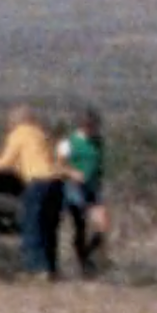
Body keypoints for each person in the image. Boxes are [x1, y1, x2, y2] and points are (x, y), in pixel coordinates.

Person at [0, 104, 71, 281]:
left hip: (37, 183)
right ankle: (51, 268)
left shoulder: (18, 135)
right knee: (49, 228)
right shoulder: (41, 134)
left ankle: (35, 269)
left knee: (32, 225)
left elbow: (4, 163)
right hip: (56, 183)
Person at [62, 107, 110, 277]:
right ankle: (83, 263)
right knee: (80, 226)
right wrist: (71, 172)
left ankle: (87, 256)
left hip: (93, 188)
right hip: (74, 188)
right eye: (90, 126)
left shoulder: (98, 141)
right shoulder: (69, 142)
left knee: (102, 226)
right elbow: (56, 163)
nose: (93, 129)